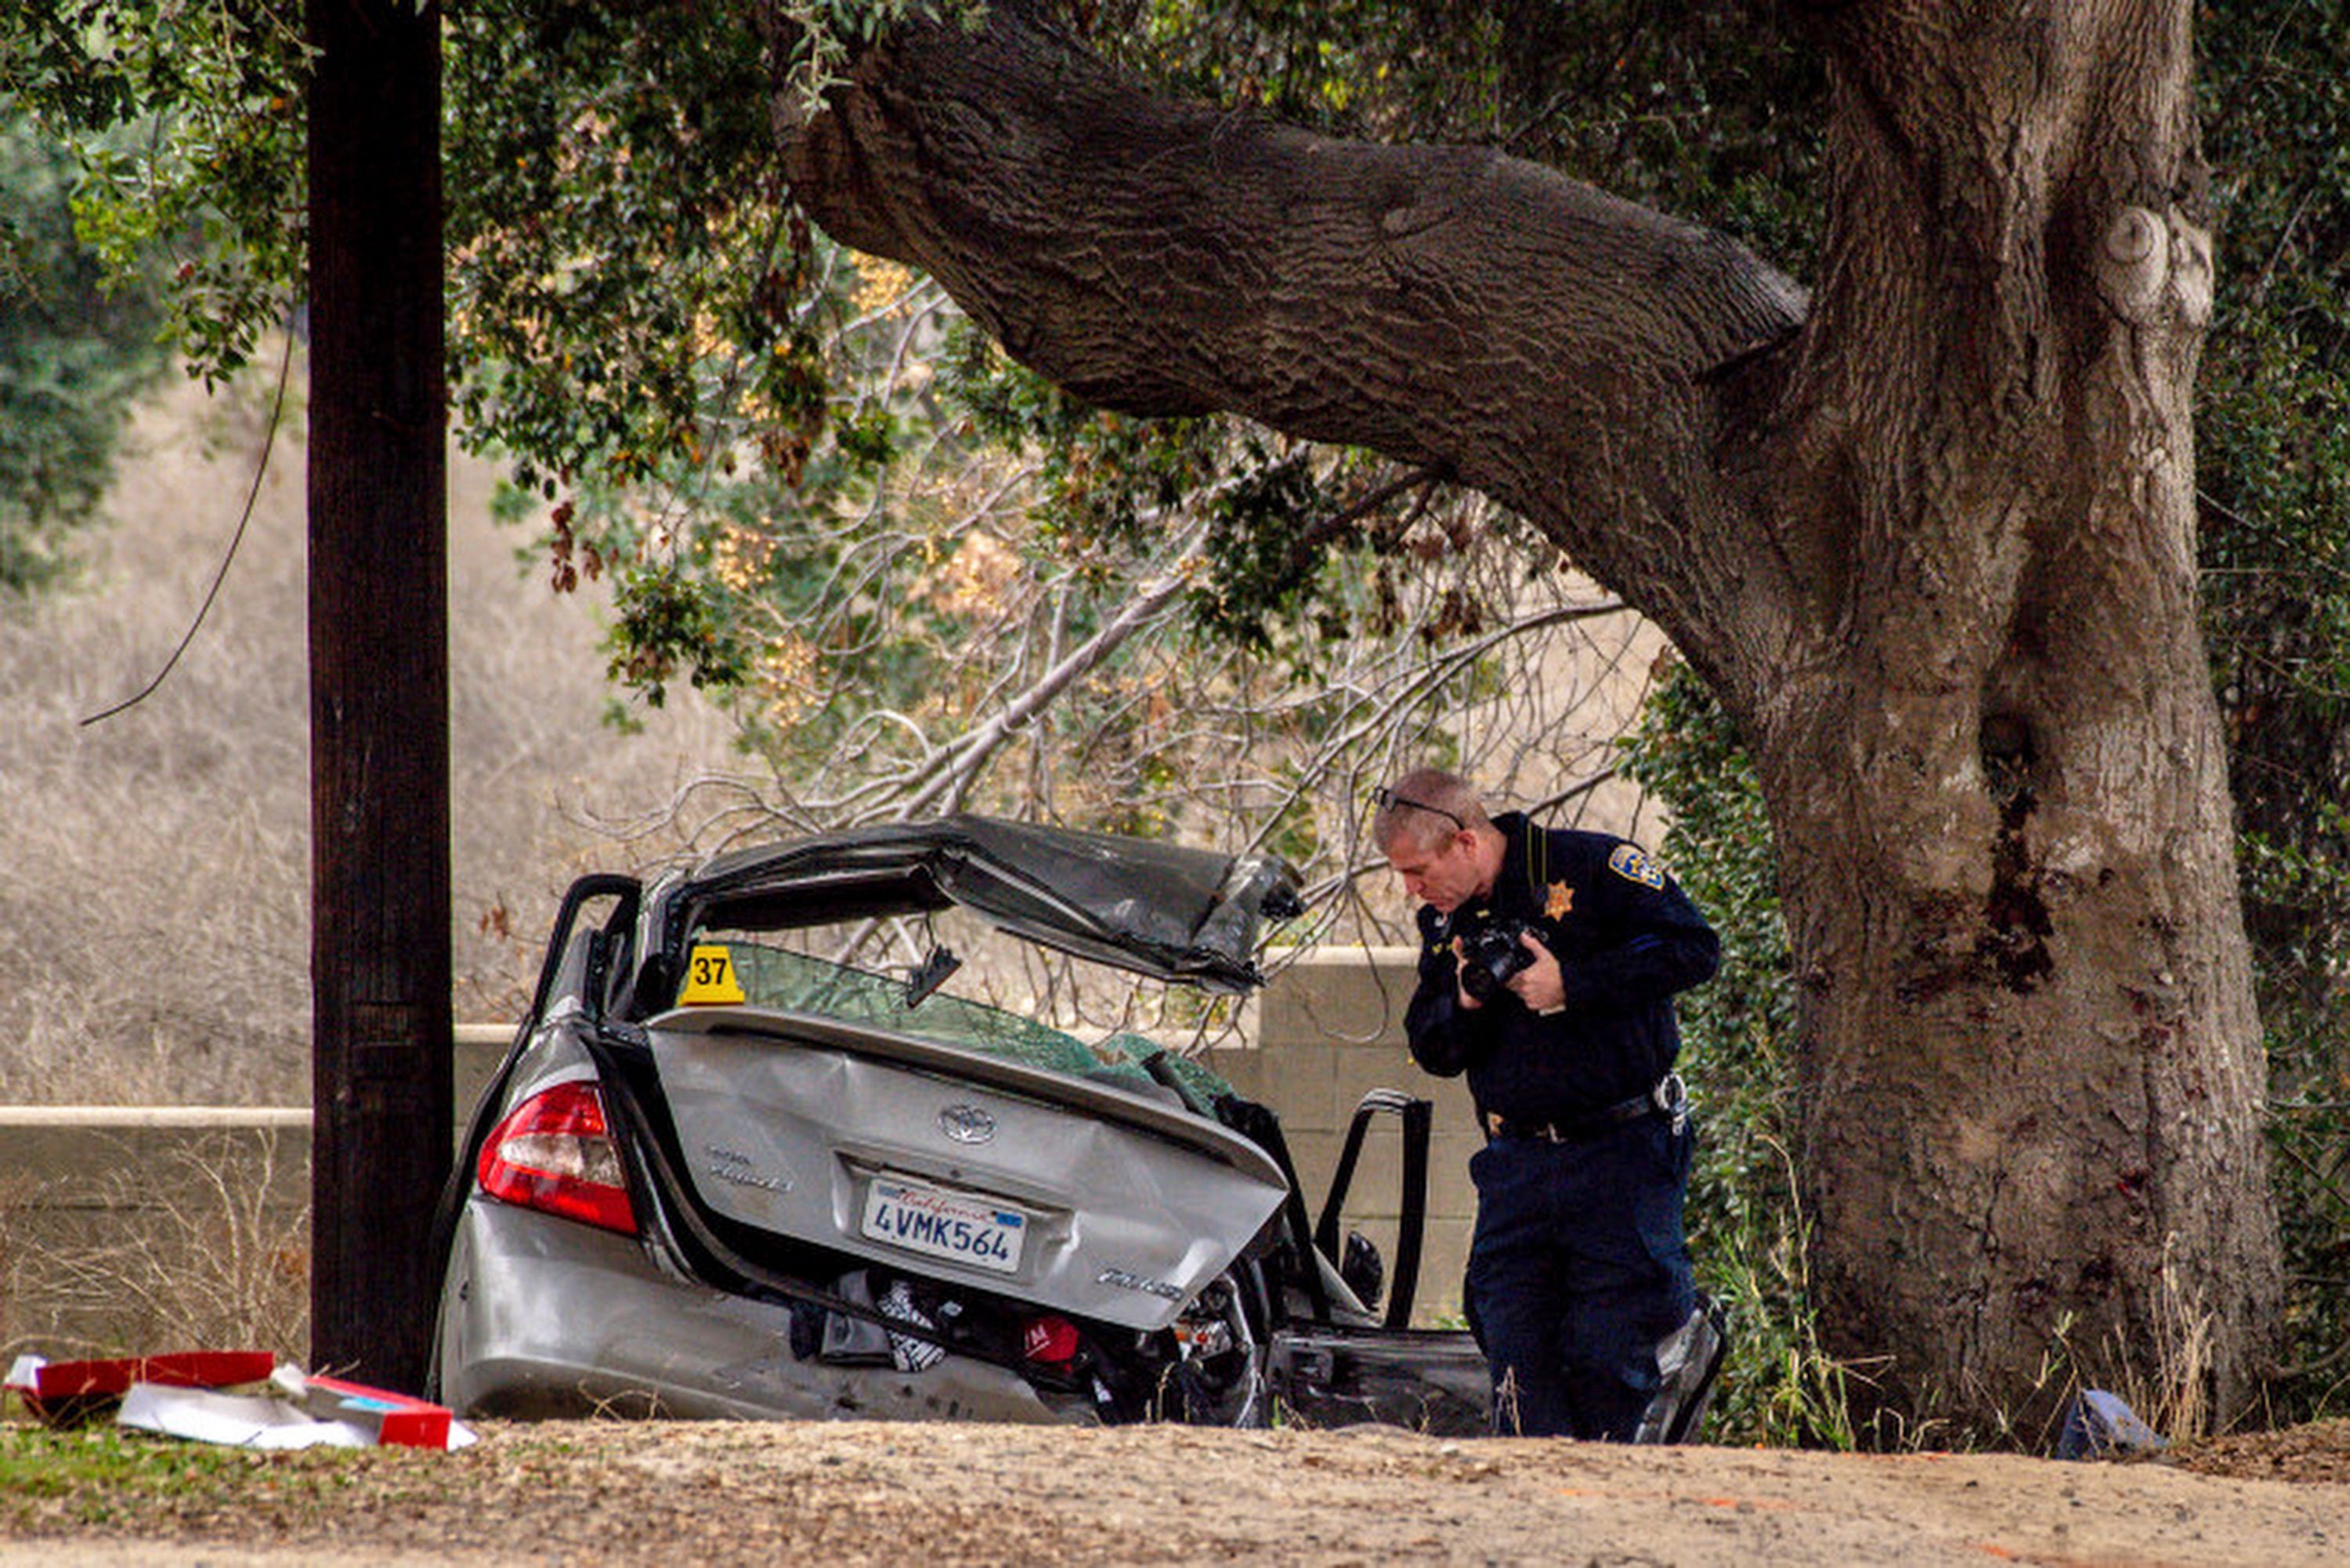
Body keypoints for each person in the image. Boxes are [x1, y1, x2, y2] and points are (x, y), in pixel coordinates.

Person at [1374, 766, 1719, 1440]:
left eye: (1417, 870)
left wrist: (1576, 983)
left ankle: (1604, 1518)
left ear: (1466, 842)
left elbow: (1694, 949)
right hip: (1517, 1166)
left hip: (1619, 1156)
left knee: (1608, 1355)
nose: (1412, 889)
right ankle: (1530, 1515)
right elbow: (1434, 1048)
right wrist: (1468, 998)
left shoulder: (1591, 868)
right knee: (1512, 1344)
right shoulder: (1447, 924)